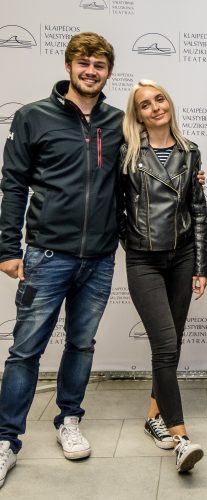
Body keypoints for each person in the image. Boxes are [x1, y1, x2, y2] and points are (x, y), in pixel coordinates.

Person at [0, 32, 123, 487]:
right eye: (84, 63)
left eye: (99, 64)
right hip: (46, 255)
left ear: (109, 71)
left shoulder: (117, 121)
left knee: (82, 344)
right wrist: (8, 248)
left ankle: (69, 419)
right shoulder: (33, 116)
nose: (91, 71)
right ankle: (6, 440)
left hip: (100, 258)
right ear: (69, 65)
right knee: (24, 350)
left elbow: (139, 172)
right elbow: (13, 185)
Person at [120, 80, 207, 472]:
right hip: (144, 261)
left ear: (169, 104)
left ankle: (154, 416)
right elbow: (114, 207)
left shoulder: (191, 153)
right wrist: (132, 240)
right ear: (136, 114)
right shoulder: (127, 154)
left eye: (159, 100)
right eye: (145, 105)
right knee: (166, 347)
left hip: (184, 258)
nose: (155, 108)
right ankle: (180, 437)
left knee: (172, 343)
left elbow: (199, 211)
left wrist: (202, 265)